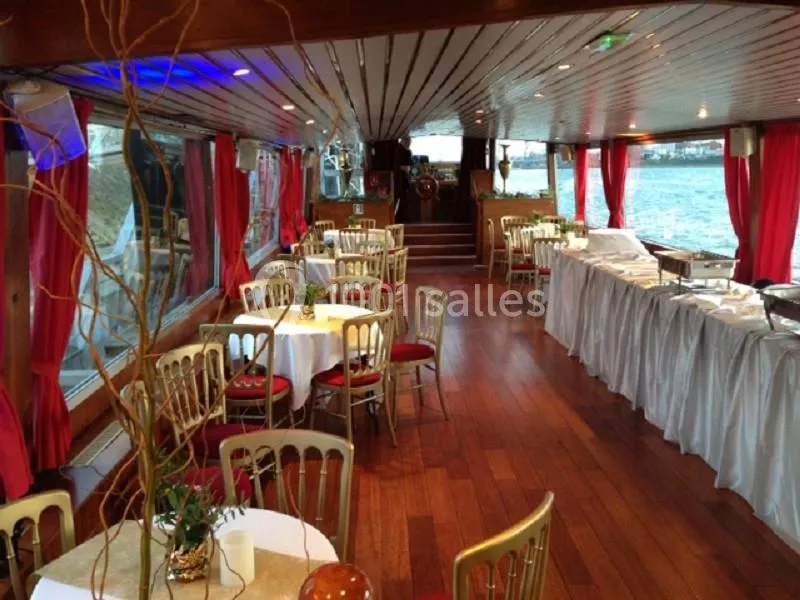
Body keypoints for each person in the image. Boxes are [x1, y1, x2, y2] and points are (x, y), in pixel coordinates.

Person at [397, 135, 413, 222]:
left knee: (403, 198)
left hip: (403, 179)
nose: (410, 144)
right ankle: (404, 217)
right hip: (403, 179)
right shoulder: (406, 152)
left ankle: (402, 217)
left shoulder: (401, 150)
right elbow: (407, 168)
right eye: (409, 142)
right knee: (404, 198)